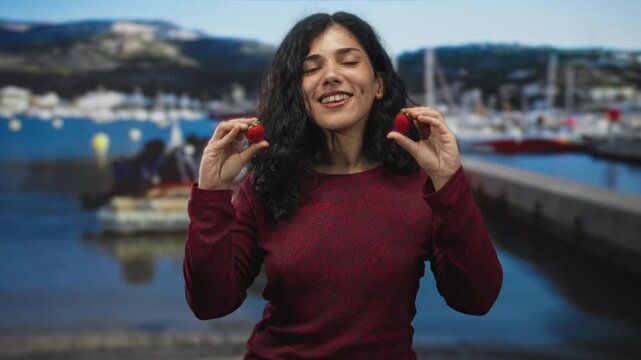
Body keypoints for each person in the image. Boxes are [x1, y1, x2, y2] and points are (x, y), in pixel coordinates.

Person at [184, 11, 502, 359]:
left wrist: (449, 183)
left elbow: (476, 299)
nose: (331, 76)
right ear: (298, 93)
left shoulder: (420, 185)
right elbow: (209, 304)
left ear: (379, 83)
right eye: (310, 68)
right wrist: (212, 194)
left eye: (348, 61)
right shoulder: (266, 184)